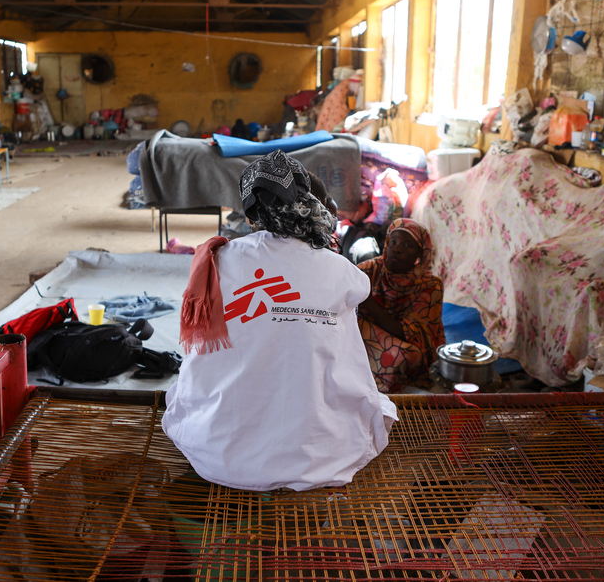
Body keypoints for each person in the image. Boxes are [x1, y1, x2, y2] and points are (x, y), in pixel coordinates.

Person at [162, 149, 397, 492]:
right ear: (309, 205)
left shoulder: (217, 260)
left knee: (196, 382)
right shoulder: (341, 270)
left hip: (217, 451)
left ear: (251, 216)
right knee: (346, 373)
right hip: (319, 457)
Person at [357, 219, 445, 393]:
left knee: (404, 356)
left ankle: (381, 395)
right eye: (393, 242)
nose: (397, 249)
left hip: (403, 343)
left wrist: (367, 302)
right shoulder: (371, 269)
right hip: (369, 333)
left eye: (407, 246)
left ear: (420, 252)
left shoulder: (430, 285)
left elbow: (407, 334)